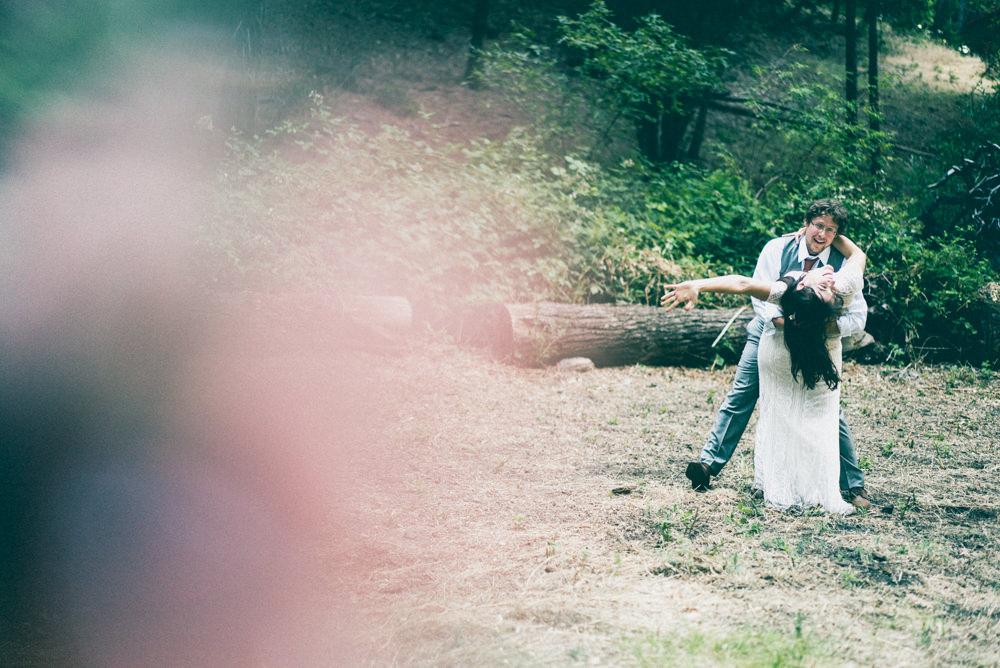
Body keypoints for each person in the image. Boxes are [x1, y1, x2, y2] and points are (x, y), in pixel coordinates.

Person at [664, 199, 870, 509]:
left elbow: (857, 318)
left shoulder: (842, 275)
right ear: (805, 224)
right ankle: (708, 464)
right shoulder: (778, 250)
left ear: (837, 235)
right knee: (742, 394)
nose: (822, 234)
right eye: (817, 226)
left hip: (818, 341)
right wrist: (786, 322)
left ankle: (853, 486)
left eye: (831, 230)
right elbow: (758, 299)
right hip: (771, 333)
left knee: (828, 409)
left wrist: (823, 325)